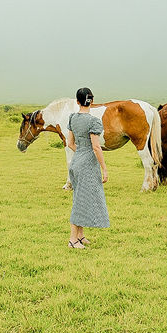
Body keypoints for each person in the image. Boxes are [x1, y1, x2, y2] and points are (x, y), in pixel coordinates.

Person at [66, 87, 110, 249]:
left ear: (77, 101)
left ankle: (80, 235)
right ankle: (72, 240)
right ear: (91, 101)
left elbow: (70, 143)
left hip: (76, 162)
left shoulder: (72, 118)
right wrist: (104, 168)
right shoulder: (93, 121)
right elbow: (96, 147)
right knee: (80, 200)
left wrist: (82, 154)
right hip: (87, 164)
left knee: (79, 196)